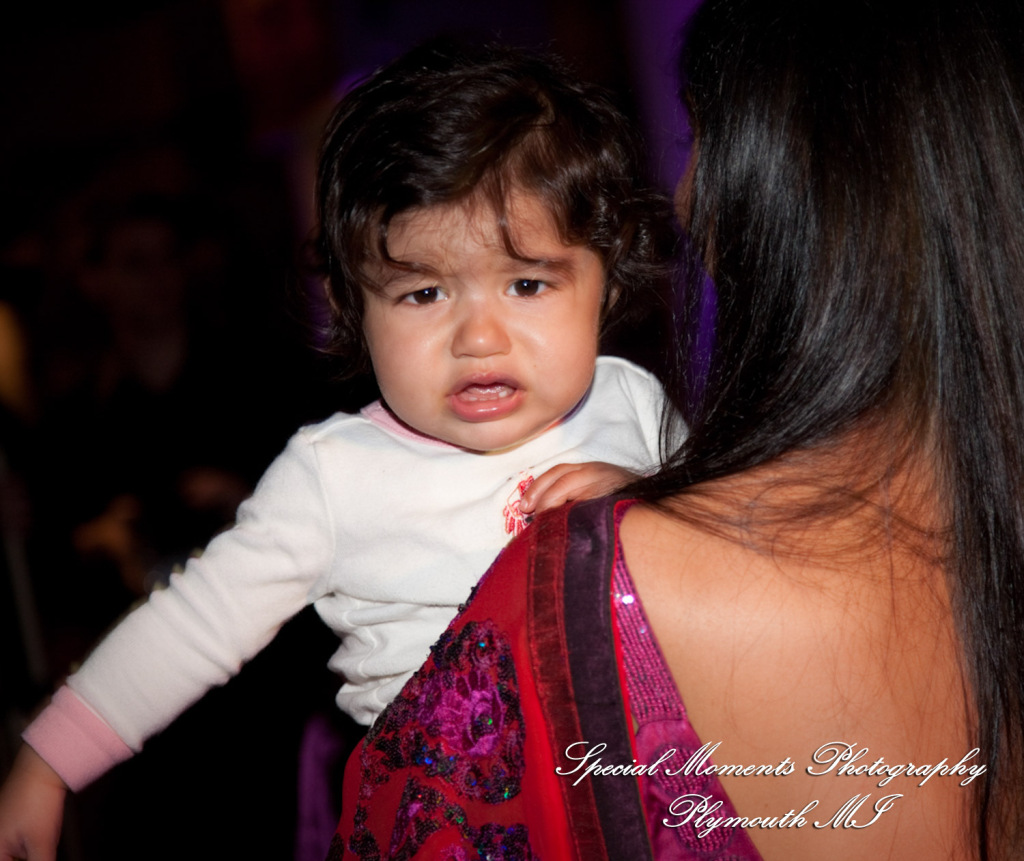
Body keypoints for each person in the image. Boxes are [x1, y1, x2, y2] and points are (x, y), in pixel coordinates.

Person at [327, 1, 1024, 859]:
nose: (682, 196)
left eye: (695, 140)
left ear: (769, 190)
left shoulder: (590, 585)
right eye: (425, 291)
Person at [0, 41, 679, 859]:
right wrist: (48, 761)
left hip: (645, 806)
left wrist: (657, 506)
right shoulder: (337, 475)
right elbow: (194, 623)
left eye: (527, 283)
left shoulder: (632, 407)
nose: (478, 335)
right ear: (354, 306)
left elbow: (748, 547)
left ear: (607, 280)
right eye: (423, 292)